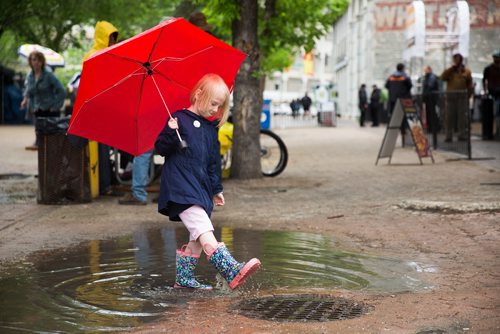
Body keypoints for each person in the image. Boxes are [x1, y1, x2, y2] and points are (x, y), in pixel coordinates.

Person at [155, 73, 261, 290]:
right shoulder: (178, 119)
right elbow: (160, 149)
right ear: (199, 94)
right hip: (180, 188)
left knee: (196, 237)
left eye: (220, 106)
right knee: (204, 229)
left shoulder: (210, 129)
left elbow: (213, 163)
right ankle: (229, 268)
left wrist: (216, 189)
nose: (215, 110)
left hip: (200, 188)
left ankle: (184, 280)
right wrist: (170, 132)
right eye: (213, 104)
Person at [84, 21, 121, 196]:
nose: (113, 42)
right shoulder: (94, 56)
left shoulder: (109, 55)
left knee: (106, 148)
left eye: (114, 39)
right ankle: (105, 185)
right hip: (97, 112)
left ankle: (109, 181)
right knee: (102, 149)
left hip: (106, 110)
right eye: (111, 39)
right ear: (103, 38)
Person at [20, 51, 66, 150]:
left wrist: (55, 106)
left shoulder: (48, 75)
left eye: (38, 60)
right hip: (36, 107)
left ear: (42, 61)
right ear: (30, 62)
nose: (36, 62)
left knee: (51, 132)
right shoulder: (30, 76)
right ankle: (38, 143)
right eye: (33, 59)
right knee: (38, 128)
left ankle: (49, 148)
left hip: (49, 108)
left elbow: (62, 91)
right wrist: (25, 99)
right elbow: (28, 89)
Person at [440, 53, 473, 142]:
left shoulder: (466, 71)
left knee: (462, 117)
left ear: (461, 60)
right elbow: (442, 77)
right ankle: (448, 136)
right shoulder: (450, 71)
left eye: (458, 59)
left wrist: (469, 95)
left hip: (462, 97)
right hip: (451, 97)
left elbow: (469, 85)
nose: (456, 61)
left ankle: (462, 134)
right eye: (455, 59)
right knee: (449, 117)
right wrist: (451, 69)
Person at [385, 63, 412, 140]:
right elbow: (410, 86)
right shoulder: (405, 77)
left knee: (394, 115)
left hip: (393, 99)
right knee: (404, 115)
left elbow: (386, 86)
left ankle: (393, 131)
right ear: (402, 68)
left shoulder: (391, 77)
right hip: (403, 98)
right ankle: (404, 130)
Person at [483, 50, 500, 139]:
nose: (495, 59)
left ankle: (498, 131)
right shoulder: (489, 69)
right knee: (493, 113)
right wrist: (485, 91)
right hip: (492, 94)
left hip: (498, 95)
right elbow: (484, 80)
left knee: (497, 113)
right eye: (495, 57)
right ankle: (492, 132)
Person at [422, 66, 440, 143]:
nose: (425, 71)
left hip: (431, 98)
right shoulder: (427, 77)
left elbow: (429, 86)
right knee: (429, 113)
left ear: (429, 70)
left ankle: (434, 128)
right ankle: (431, 128)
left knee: (432, 113)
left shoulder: (431, 77)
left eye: (426, 70)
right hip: (428, 98)